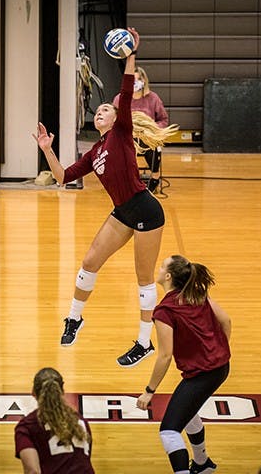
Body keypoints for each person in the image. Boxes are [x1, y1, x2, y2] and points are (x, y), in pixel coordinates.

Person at [33, 27, 177, 367]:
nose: (100, 112)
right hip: (122, 212)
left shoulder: (122, 133)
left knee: (143, 280)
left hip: (146, 211)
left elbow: (125, 92)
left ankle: (144, 342)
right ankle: (74, 318)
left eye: (105, 109)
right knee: (88, 263)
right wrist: (47, 150)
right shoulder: (95, 151)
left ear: (116, 117)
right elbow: (63, 177)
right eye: (96, 111)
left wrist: (130, 55)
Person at [136, 255, 232, 474]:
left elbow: (165, 355)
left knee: (169, 431)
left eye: (161, 266)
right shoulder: (196, 294)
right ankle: (202, 463)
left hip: (203, 374)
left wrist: (149, 391)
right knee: (188, 409)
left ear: (168, 276)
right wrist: (217, 349)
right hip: (221, 367)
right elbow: (226, 321)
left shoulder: (164, 311)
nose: (158, 269)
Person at [14, 367, 94, 474]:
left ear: (33, 392)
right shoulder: (81, 422)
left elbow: (32, 471)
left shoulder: (27, 426)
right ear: (62, 391)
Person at [112, 65, 169, 193]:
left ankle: (154, 178)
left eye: (137, 80)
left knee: (152, 144)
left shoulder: (153, 98)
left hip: (146, 136)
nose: (134, 84)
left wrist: (153, 129)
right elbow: (113, 120)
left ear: (143, 82)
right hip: (127, 137)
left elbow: (163, 120)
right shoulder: (119, 99)